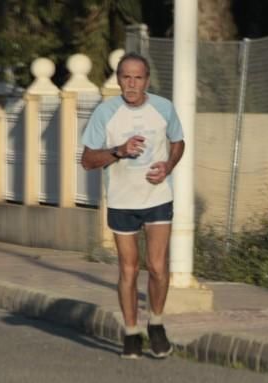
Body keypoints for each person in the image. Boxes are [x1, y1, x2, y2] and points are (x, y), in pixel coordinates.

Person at [81, 52, 185, 359]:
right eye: (126, 77)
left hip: (157, 196)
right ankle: (130, 332)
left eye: (138, 77)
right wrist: (118, 151)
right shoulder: (106, 113)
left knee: (157, 266)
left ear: (147, 81)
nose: (132, 83)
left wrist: (168, 165)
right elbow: (87, 161)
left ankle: (156, 323)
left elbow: (178, 141)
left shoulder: (164, 108)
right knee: (129, 269)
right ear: (118, 79)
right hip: (122, 200)